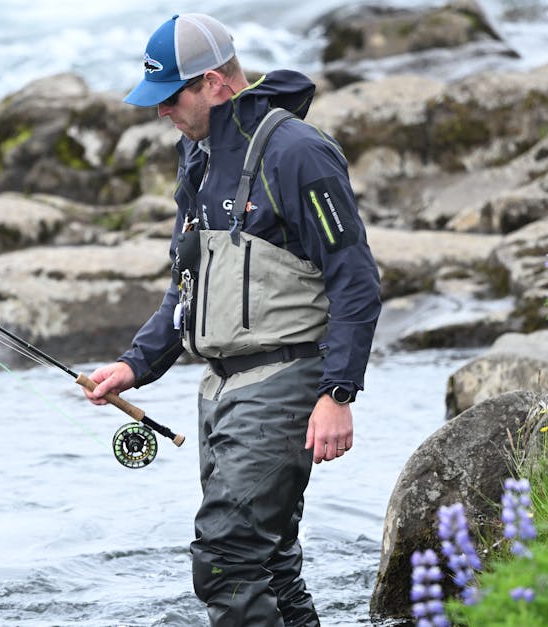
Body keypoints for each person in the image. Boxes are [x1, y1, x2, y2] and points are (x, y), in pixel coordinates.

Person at [83, 13, 381, 627]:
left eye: (171, 97)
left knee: (225, 559)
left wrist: (338, 392)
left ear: (215, 83)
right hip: (219, 389)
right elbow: (185, 287)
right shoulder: (197, 159)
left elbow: (355, 280)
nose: (160, 111)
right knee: (268, 563)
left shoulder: (299, 153)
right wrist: (133, 366)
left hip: (284, 383)